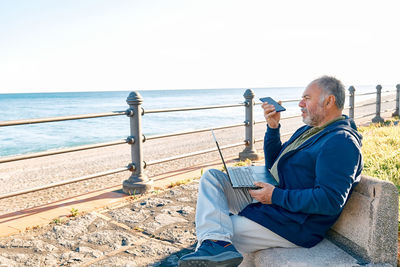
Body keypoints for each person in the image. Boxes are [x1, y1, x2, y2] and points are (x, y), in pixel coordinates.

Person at [178, 76, 363, 267]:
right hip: (275, 204)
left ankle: (216, 248)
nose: (300, 103)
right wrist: (273, 128)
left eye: (306, 98)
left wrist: (275, 196)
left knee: (218, 232)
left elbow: (330, 200)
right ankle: (215, 247)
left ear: (329, 101)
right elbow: (274, 165)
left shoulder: (341, 141)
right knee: (212, 178)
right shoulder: (308, 131)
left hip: (293, 224)